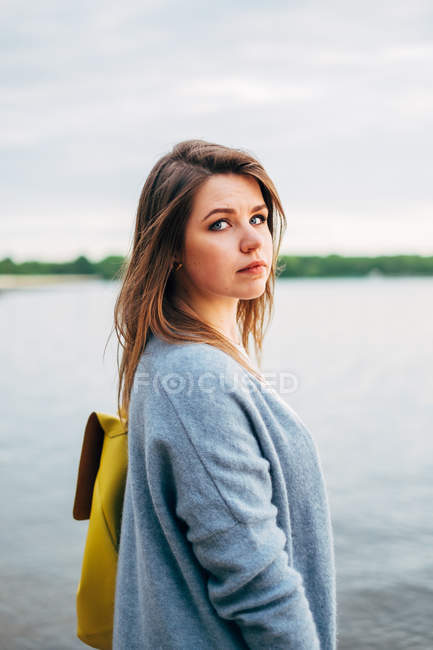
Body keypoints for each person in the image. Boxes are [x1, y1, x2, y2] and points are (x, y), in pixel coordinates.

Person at [111, 139, 337, 649]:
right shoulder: (196, 381)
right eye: (220, 224)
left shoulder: (183, 358)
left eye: (258, 218)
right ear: (170, 250)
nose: (253, 241)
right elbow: (258, 585)